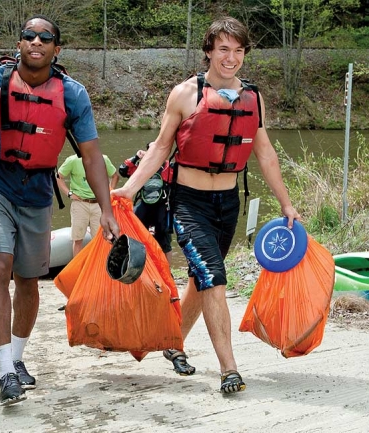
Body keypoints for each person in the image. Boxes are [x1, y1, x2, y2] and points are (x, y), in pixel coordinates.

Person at [111, 17, 300, 394]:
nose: (231, 58)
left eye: (238, 50)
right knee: (213, 277)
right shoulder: (184, 94)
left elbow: (265, 153)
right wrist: (129, 189)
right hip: (188, 202)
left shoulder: (253, 97)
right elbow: (162, 147)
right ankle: (229, 369)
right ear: (209, 51)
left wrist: (287, 204)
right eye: (224, 49)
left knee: (200, 278)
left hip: (228, 204)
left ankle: (171, 341)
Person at [0, 15, 120, 406]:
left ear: (57, 48)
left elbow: (91, 155)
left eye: (45, 37)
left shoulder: (72, 95)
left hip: (36, 191)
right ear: (19, 44)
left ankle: (16, 360)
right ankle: (4, 371)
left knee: (29, 279)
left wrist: (107, 210)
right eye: (28, 36)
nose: (36, 41)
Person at [118, 142, 174, 264]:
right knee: (136, 234)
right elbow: (123, 170)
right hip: (144, 205)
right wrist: (137, 156)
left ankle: (168, 273)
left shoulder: (169, 167)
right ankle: (140, 266)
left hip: (162, 207)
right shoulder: (141, 167)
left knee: (164, 241)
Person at [57, 154, 119, 257]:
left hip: (99, 204)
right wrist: (69, 193)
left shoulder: (103, 159)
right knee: (77, 239)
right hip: (80, 203)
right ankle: (78, 269)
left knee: (101, 239)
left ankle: (98, 268)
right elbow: (58, 176)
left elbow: (115, 176)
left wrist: (109, 192)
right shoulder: (72, 160)